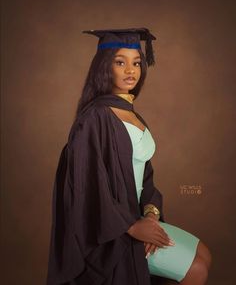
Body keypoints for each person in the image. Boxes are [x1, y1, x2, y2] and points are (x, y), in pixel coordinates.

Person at [47, 28, 212, 285]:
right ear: (104, 67)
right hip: (110, 231)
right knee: (197, 270)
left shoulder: (131, 113)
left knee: (204, 254)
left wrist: (150, 212)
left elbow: (145, 175)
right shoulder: (94, 119)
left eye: (136, 62)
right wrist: (132, 227)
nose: (130, 70)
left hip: (138, 217)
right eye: (120, 62)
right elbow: (87, 187)